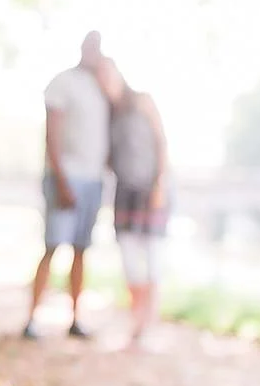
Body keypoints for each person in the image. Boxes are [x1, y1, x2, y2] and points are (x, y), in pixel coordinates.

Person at [24, 31, 110, 340]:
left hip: (93, 179)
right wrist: (61, 179)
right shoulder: (63, 83)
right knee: (51, 248)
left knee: (81, 251)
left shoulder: (102, 88)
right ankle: (31, 319)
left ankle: (75, 319)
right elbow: (53, 133)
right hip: (66, 177)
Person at [96, 57, 170, 349]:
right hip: (124, 191)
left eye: (107, 74)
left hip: (150, 188)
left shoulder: (142, 101)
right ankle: (137, 318)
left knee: (152, 259)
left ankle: (146, 324)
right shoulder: (109, 114)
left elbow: (161, 141)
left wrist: (160, 183)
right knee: (130, 262)